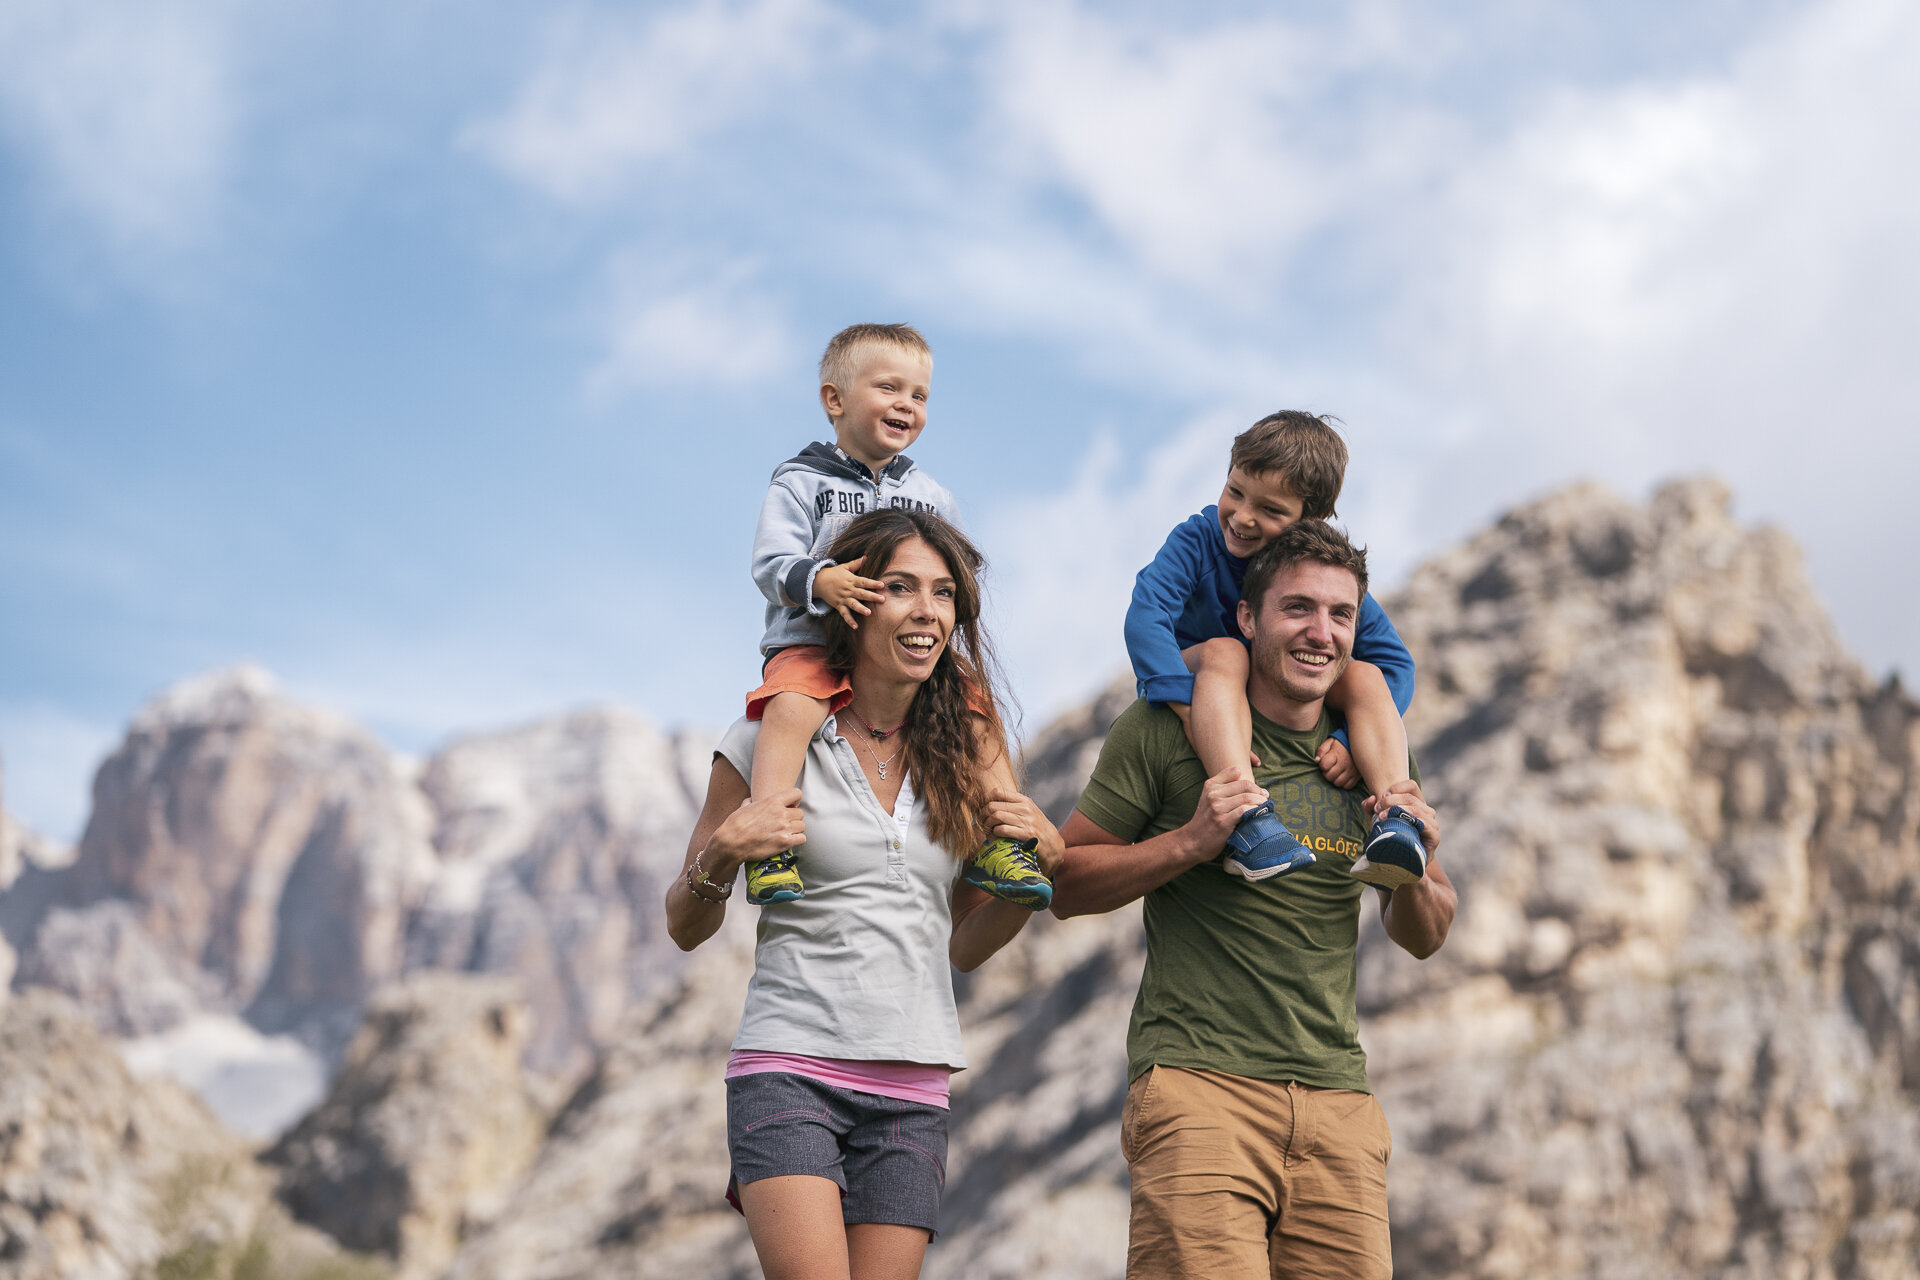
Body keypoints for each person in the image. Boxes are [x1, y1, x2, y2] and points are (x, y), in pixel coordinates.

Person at [1051, 519, 1457, 1280]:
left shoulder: (1373, 748)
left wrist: (1419, 868)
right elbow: (1064, 883)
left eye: (1341, 615)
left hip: (1339, 1103)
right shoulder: (1167, 731)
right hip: (1199, 1089)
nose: (1321, 632)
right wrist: (1190, 843)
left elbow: (1427, 932)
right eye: (1297, 608)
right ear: (1247, 617)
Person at [666, 508, 1061, 1280]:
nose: (928, 612)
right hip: (789, 1067)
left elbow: (966, 947)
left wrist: (1032, 881)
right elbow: (683, 925)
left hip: (915, 1087)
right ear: (852, 602)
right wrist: (723, 853)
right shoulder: (762, 741)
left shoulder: (965, 757)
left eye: (944, 593)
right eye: (901, 588)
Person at [741, 323, 1049, 910]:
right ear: (835, 400)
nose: (906, 404)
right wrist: (819, 580)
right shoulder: (801, 482)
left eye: (920, 395)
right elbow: (770, 561)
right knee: (789, 707)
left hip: (904, 652)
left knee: (975, 704)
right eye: (889, 388)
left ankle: (1005, 838)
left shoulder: (932, 496)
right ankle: (770, 841)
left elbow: (956, 571)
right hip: (812, 641)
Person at [1125, 411, 1426, 886]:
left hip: (1284, 685)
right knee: (1227, 651)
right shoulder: (1198, 539)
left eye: (1270, 510)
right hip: (1204, 676)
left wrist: (1347, 741)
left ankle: (1397, 821)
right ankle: (1248, 819)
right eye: (1235, 491)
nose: (1242, 517)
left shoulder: (1322, 579)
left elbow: (1394, 664)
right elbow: (1147, 615)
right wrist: (1184, 702)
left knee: (1365, 675)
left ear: (1309, 521)